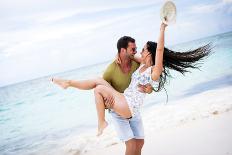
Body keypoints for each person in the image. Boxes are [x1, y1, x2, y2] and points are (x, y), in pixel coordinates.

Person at [52, 22, 212, 155]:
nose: (140, 52)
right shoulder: (142, 64)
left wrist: (162, 29)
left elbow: (160, 50)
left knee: (98, 87)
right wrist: (118, 55)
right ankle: (69, 84)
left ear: (150, 54)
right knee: (99, 84)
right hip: (127, 104)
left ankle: (100, 121)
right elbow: (127, 54)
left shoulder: (154, 71)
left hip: (129, 105)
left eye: (143, 49)